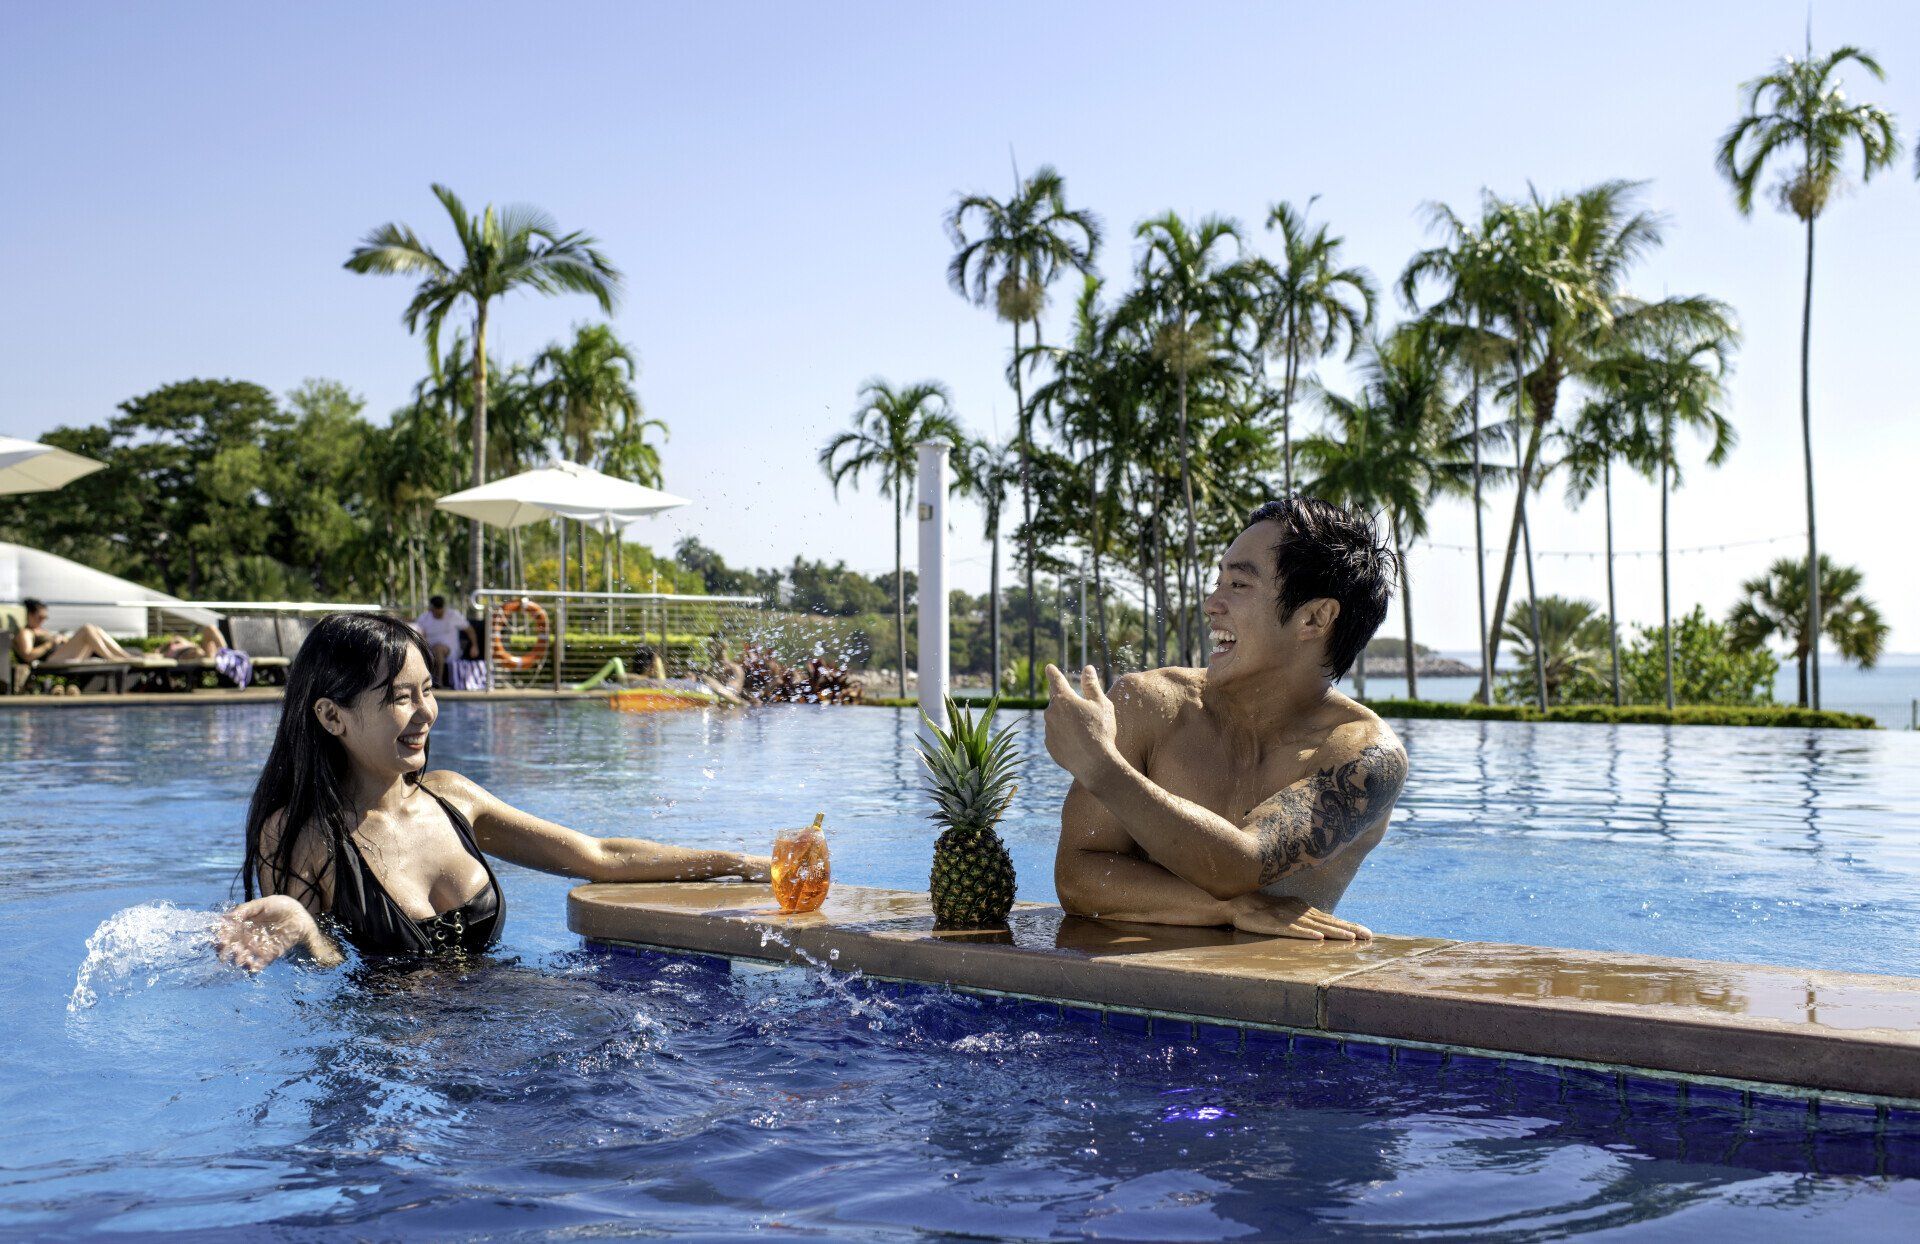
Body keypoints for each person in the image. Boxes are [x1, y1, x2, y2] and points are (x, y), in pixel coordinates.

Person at [213, 612, 771, 971]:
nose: (427, 712)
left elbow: (597, 856)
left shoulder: (453, 798)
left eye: (428, 690)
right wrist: (305, 931)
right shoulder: (300, 834)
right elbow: (326, 987)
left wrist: (736, 863)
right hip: (404, 1070)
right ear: (332, 716)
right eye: (399, 697)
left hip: (511, 1030)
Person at [1045, 497, 1407, 942]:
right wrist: (1228, 908)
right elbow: (1079, 876)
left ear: (1314, 617)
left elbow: (1244, 864)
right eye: (1218, 581)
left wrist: (1100, 766)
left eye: (1238, 584)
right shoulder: (1150, 705)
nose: (1212, 603)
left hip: (1276, 1001)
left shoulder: (1365, 755)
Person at [410, 595, 476, 686]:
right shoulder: (424, 618)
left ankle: (438, 681)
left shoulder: (453, 615)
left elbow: (469, 629)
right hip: (429, 650)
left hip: (450, 651)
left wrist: (474, 646)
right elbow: (418, 632)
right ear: (431, 608)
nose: (439, 611)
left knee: (438, 649)